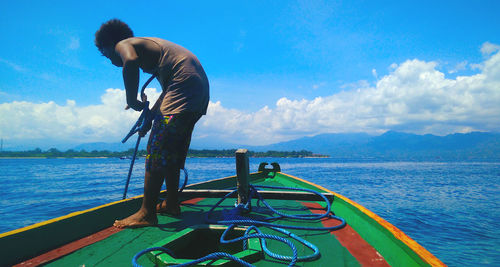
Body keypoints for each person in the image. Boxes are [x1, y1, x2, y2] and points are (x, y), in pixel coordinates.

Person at [95, 19, 209, 228]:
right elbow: (167, 92)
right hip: (196, 92)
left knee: (157, 149)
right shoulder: (157, 53)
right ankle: (172, 203)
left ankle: (147, 213)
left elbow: (129, 62)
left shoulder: (124, 43)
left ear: (110, 44)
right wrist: (150, 117)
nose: (110, 60)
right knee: (170, 151)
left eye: (105, 54)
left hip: (184, 88)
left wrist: (130, 100)